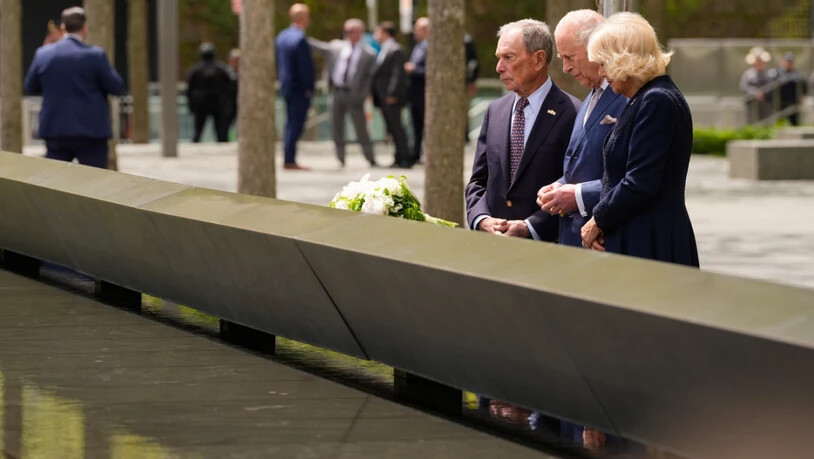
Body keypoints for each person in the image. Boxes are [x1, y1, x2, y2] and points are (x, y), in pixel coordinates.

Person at [580, 12, 699, 268]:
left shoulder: (657, 100)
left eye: (604, 63)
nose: (601, 72)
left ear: (623, 59)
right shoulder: (646, 98)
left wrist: (598, 220)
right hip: (642, 236)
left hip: (651, 241)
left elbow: (640, 181)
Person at [465, 19, 580, 241]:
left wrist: (531, 227)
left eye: (508, 57)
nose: (499, 67)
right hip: (494, 246)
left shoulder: (573, 114)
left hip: (547, 248)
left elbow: (574, 187)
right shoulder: (495, 111)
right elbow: (478, 181)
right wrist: (481, 219)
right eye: (499, 58)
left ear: (538, 60)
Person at [536, 10, 627, 247]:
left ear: (596, 47)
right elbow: (581, 163)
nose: (565, 68)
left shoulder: (629, 96)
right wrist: (559, 186)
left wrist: (577, 195)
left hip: (607, 240)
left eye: (570, 57)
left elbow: (634, 178)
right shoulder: (590, 97)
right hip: (575, 240)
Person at [24, 6, 124, 169]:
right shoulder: (96, 55)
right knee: (95, 180)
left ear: (63, 27)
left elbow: (30, 87)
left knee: (56, 180)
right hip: (91, 131)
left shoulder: (43, 54)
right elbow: (116, 87)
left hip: (56, 130)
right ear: (85, 28)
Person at [309, 19, 377, 167]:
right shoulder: (336, 46)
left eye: (352, 31)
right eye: (346, 31)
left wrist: (362, 95)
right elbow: (319, 47)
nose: (348, 34)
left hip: (355, 94)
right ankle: (340, 158)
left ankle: (370, 157)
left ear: (360, 32)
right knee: (337, 126)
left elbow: (369, 79)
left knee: (361, 128)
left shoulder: (368, 54)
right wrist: (300, 35)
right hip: (337, 92)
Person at [276, 3, 315, 170]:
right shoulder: (299, 39)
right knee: (295, 124)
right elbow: (304, 68)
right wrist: (308, 88)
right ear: (303, 18)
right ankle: (289, 159)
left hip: (286, 86)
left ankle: (288, 157)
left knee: (289, 123)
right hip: (299, 89)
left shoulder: (281, 37)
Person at [371, 21, 412, 168]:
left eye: (378, 32)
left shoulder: (396, 50)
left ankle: (404, 157)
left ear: (386, 33)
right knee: (392, 128)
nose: (375, 35)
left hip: (390, 97)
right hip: (383, 97)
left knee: (397, 128)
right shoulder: (384, 49)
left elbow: (397, 74)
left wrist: (392, 93)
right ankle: (398, 157)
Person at [186, 43, 235, 143]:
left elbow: (189, 90)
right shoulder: (221, 69)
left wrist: (191, 105)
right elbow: (230, 87)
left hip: (202, 104)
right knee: (221, 134)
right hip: (217, 104)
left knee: (198, 132)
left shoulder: (196, 70)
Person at [405, 17, 429, 163]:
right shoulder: (417, 47)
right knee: (415, 126)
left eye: (417, 29)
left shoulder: (432, 47)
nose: (415, 32)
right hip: (414, 93)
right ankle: (415, 153)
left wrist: (414, 69)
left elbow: (432, 72)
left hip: (425, 94)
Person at [739, 47, 776, 124]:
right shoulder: (748, 74)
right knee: (752, 121)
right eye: (757, 60)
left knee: (765, 122)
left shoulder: (768, 74)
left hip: (765, 103)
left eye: (761, 61)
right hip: (751, 103)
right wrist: (754, 93)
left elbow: (772, 87)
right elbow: (744, 87)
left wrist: (763, 93)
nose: (759, 62)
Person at [777, 52, 807, 126]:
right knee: (780, 123)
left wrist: (802, 97)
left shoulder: (798, 75)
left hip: (794, 103)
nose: (789, 63)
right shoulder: (778, 74)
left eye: (791, 62)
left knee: (795, 123)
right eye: (787, 61)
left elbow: (804, 87)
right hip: (782, 103)